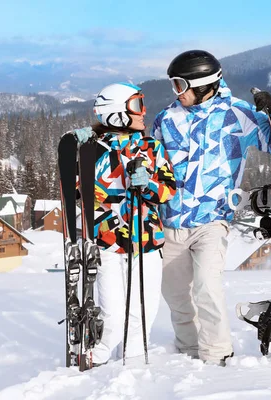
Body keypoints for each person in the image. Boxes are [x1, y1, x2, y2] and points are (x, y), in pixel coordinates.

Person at [151, 50, 271, 366]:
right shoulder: (166, 119)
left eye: (180, 85)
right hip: (170, 221)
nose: (176, 92)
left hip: (212, 221)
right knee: (176, 295)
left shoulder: (238, 115)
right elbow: (152, 168)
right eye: (173, 85)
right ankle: (188, 351)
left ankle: (218, 354)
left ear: (203, 85)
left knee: (207, 287)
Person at [74, 82, 176, 365]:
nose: (144, 112)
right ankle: (100, 353)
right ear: (116, 113)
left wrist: (148, 186)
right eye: (136, 105)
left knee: (144, 309)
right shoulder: (93, 151)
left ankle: (132, 360)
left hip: (146, 241)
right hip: (108, 242)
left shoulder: (150, 147)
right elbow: (78, 192)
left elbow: (169, 189)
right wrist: (77, 152)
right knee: (115, 312)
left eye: (142, 103)